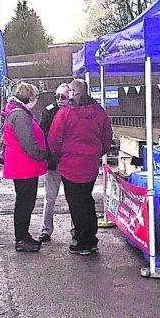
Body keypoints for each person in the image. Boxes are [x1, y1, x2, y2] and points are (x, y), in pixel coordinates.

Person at [48, 79, 113, 256]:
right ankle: (91, 238)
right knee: (87, 200)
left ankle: (82, 241)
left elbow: (54, 139)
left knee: (76, 203)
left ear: (73, 92)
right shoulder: (99, 112)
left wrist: (57, 157)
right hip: (90, 164)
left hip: (70, 165)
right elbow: (107, 136)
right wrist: (97, 152)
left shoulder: (65, 113)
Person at [2, 82, 49, 251]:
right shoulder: (21, 115)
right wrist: (43, 154)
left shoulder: (18, 113)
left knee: (25, 202)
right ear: (30, 98)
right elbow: (28, 143)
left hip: (22, 165)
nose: (37, 100)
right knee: (24, 203)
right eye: (36, 97)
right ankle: (21, 239)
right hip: (24, 166)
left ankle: (24, 235)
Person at [37, 83, 70, 243]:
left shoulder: (74, 112)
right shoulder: (49, 112)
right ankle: (46, 230)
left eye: (63, 97)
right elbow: (43, 136)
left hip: (70, 162)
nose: (59, 100)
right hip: (53, 162)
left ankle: (75, 230)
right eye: (57, 96)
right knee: (49, 198)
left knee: (73, 199)